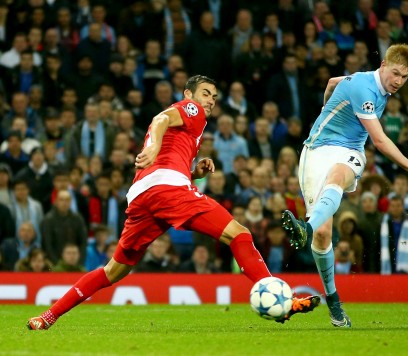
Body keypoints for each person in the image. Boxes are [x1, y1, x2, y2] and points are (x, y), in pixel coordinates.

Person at [27, 75, 319, 331]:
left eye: (215, 97)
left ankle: (48, 317)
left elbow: (168, 153)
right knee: (239, 233)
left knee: (112, 271)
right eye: (206, 93)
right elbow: (160, 120)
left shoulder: (190, 134)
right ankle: (283, 301)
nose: (211, 101)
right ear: (187, 95)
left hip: (143, 196)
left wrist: (194, 172)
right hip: (167, 190)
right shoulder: (190, 112)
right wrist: (154, 145)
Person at [281, 44, 408, 328]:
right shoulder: (364, 87)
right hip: (314, 151)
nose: (398, 81)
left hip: (348, 151)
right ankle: (334, 302)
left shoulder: (367, 83)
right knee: (323, 236)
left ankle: (305, 227)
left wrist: (327, 104)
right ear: (383, 65)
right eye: (396, 73)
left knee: (339, 174)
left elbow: (333, 82)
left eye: (405, 77)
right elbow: (381, 141)